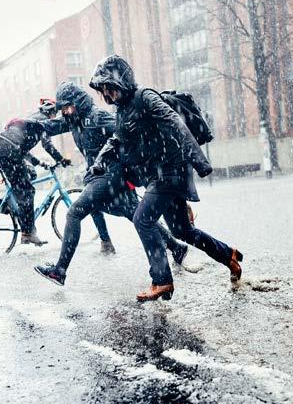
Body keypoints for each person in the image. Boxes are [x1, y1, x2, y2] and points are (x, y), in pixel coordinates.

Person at [88, 55, 243, 302]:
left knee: (142, 219)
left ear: (122, 82)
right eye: (105, 92)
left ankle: (162, 280)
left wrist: (199, 160)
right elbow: (117, 139)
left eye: (110, 90)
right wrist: (99, 163)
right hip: (158, 174)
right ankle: (228, 256)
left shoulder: (145, 97)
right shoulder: (124, 109)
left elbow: (175, 123)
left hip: (171, 171)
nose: (108, 97)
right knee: (183, 230)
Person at [33, 82, 189, 286]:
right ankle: (176, 247)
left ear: (78, 102)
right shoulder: (73, 120)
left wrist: (138, 162)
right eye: (63, 109)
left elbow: (126, 132)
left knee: (74, 213)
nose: (66, 112)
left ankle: (60, 270)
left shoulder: (98, 117)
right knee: (133, 213)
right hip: (102, 177)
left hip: (110, 175)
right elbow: (49, 126)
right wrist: (28, 122)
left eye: (68, 107)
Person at [0, 116, 71, 245]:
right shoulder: (43, 127)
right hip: (9, 152)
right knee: (27, 191)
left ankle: (10, 207)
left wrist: (40, 163)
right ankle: (27, 234)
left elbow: (24, 152)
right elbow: (47, 145)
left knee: (23, 183)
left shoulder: (28, 129)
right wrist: (61, 159)